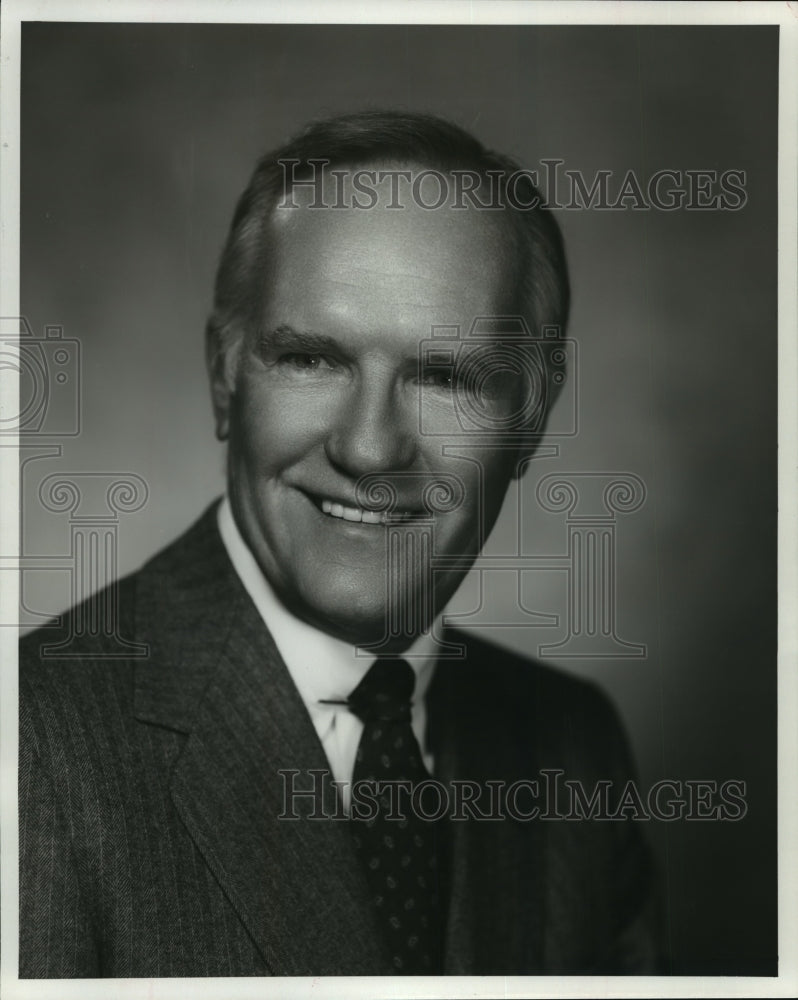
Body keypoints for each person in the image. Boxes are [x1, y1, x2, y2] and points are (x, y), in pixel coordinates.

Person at [19, 110, 660, 977]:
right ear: (224, 375)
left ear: (531, 418)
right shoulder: (30, 750)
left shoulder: (574, 749)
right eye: (313, 360)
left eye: (442, 376)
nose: (368, 449)